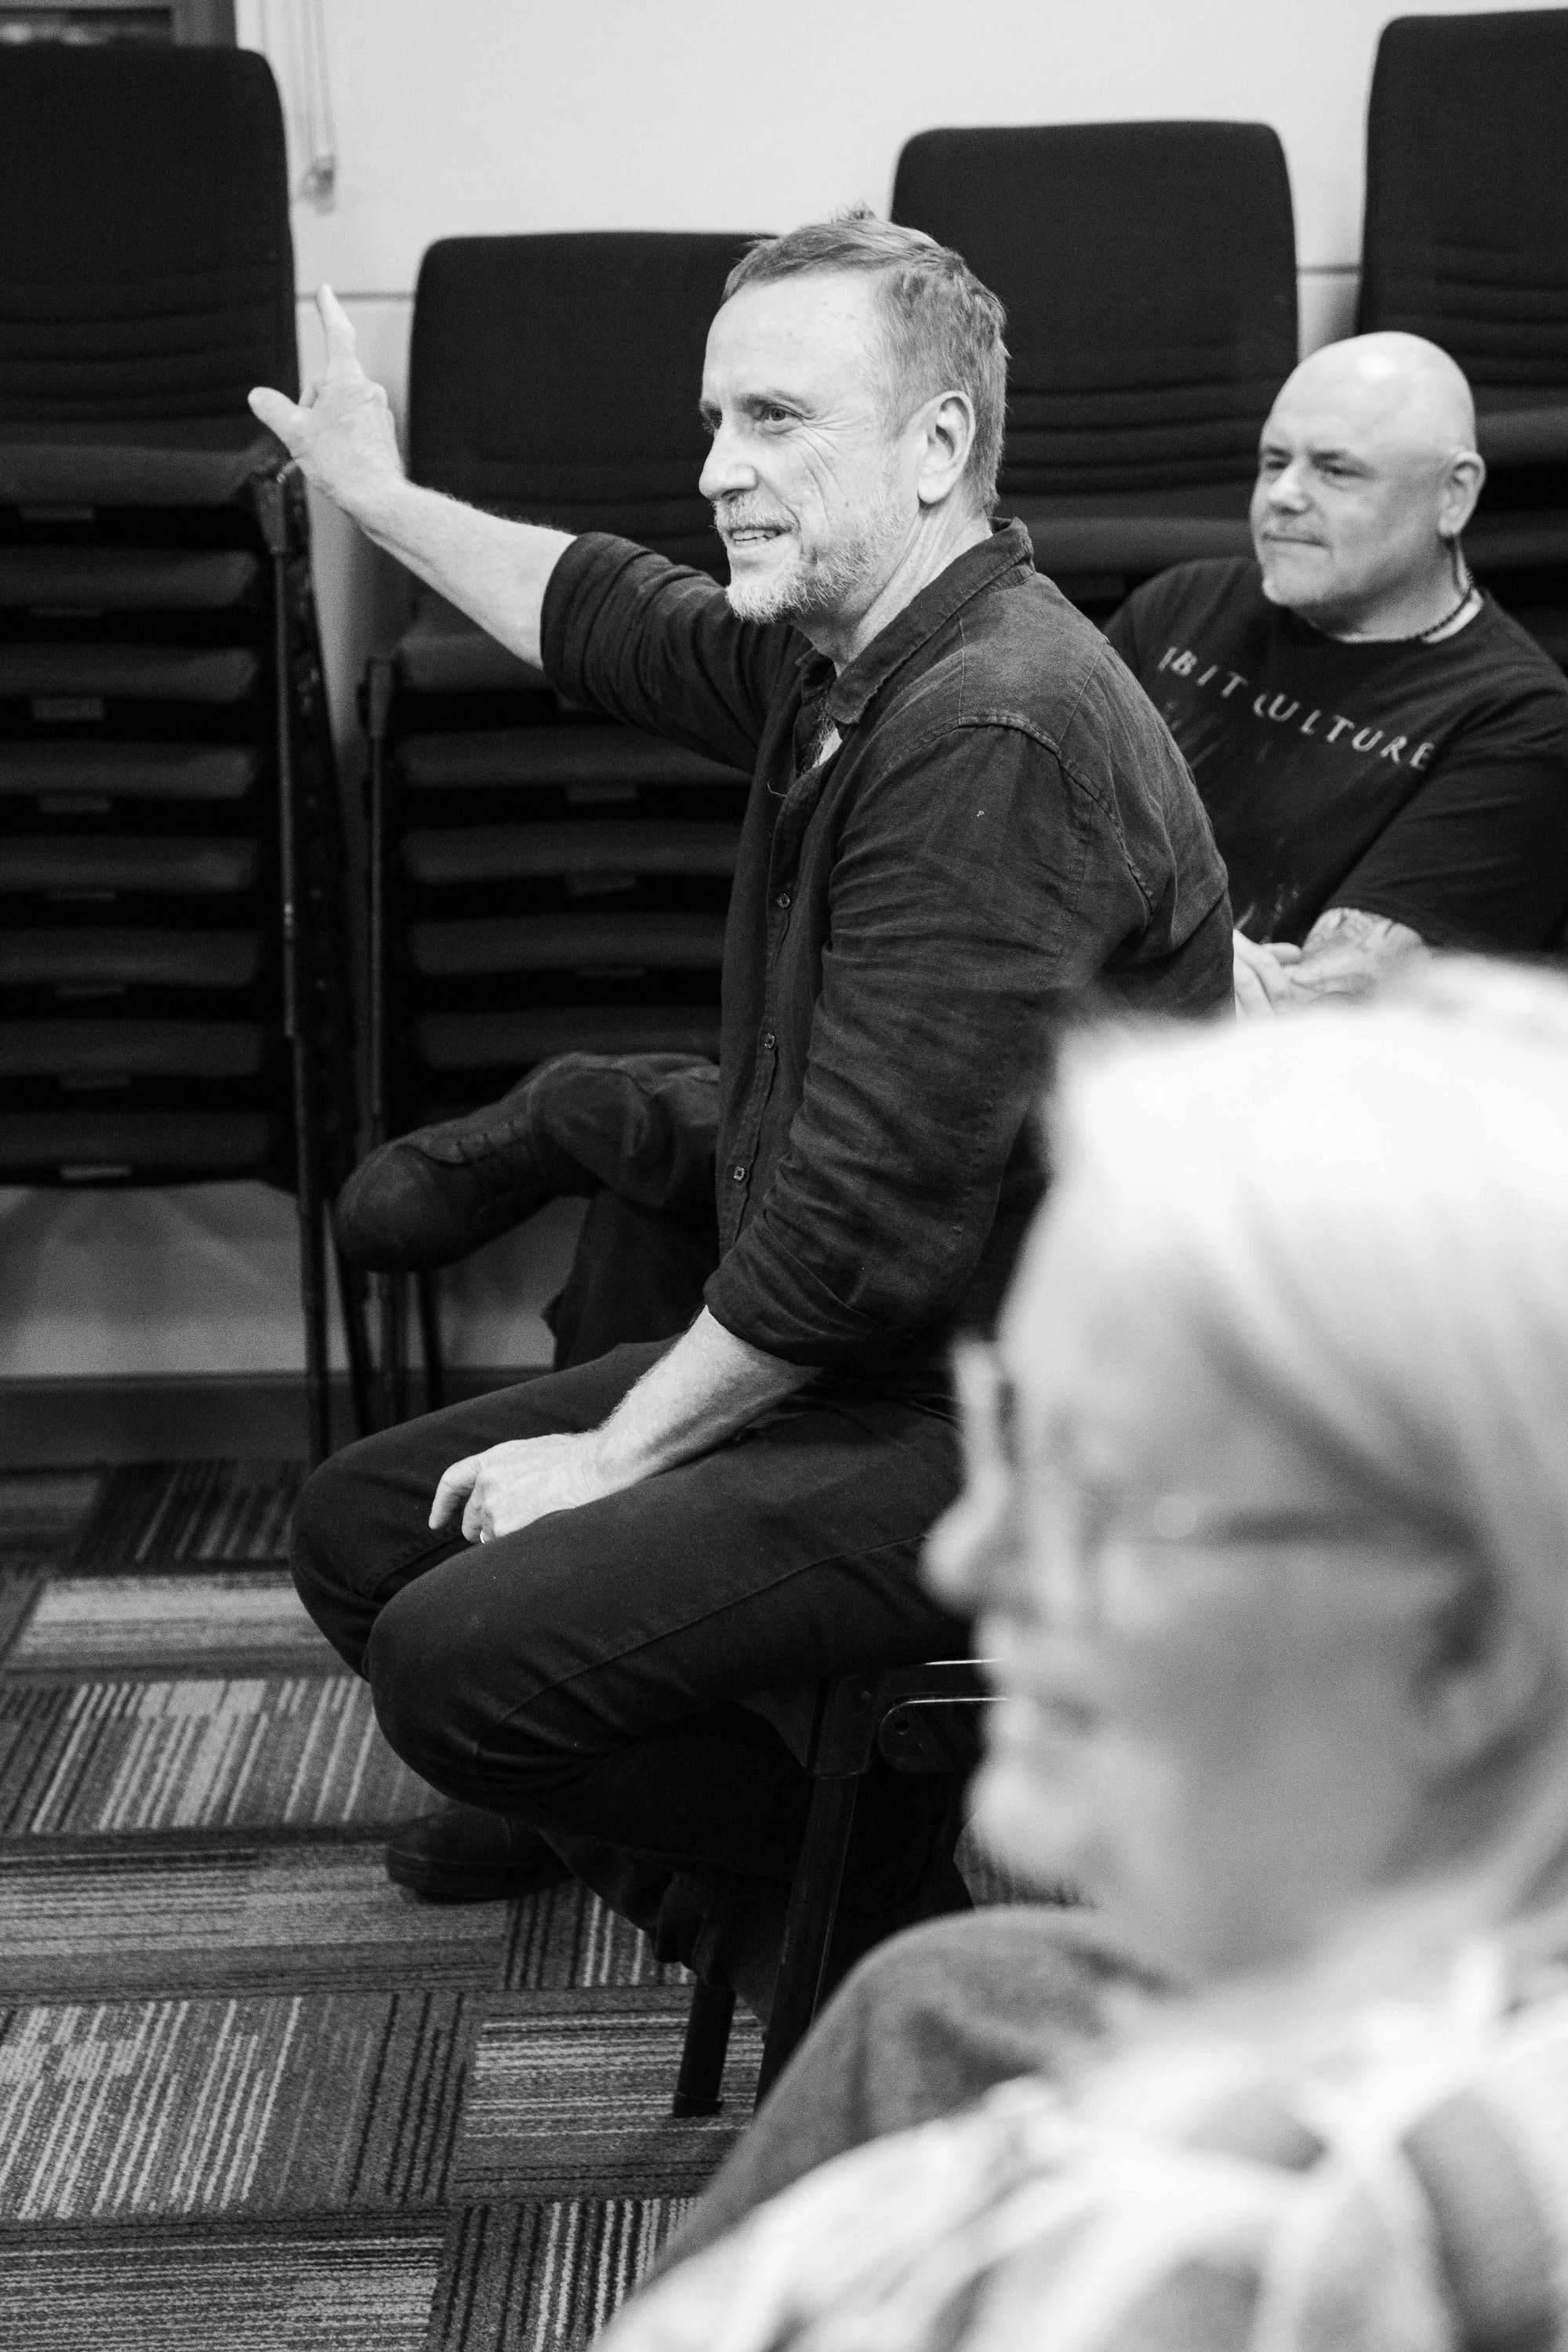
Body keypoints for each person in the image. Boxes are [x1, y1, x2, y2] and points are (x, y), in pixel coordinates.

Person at [251, 214, 1230, 2001]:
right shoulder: (850, 656)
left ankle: (873, 1910)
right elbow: (599, 610)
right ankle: (805, 1909)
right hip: (886, 1363)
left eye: (775, 420)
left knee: (460, 1656)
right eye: (712, 423)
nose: (717, 471)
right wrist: (374, 490)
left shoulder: (992, 725)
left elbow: (855, 1237)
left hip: (1028, 1422)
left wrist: (615, 1456)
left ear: (936, 447)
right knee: (358, 1533)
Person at [608, 956, 1568, 2349]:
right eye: (1008, 1435)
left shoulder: (1224, 2246)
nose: (969, 1560)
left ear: (1469, 1641)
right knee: (932, 1993)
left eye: (1097, 1491)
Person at [1103, 332, 1568, 1016]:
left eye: (1336, 470)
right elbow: (1021, 832)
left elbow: (1315, 1009)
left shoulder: (1522, 722)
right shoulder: (1182, 603)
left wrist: (1122, 942)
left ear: (1454, 495)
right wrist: (1206, 958)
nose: (1283, 495)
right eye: (1273, 462)